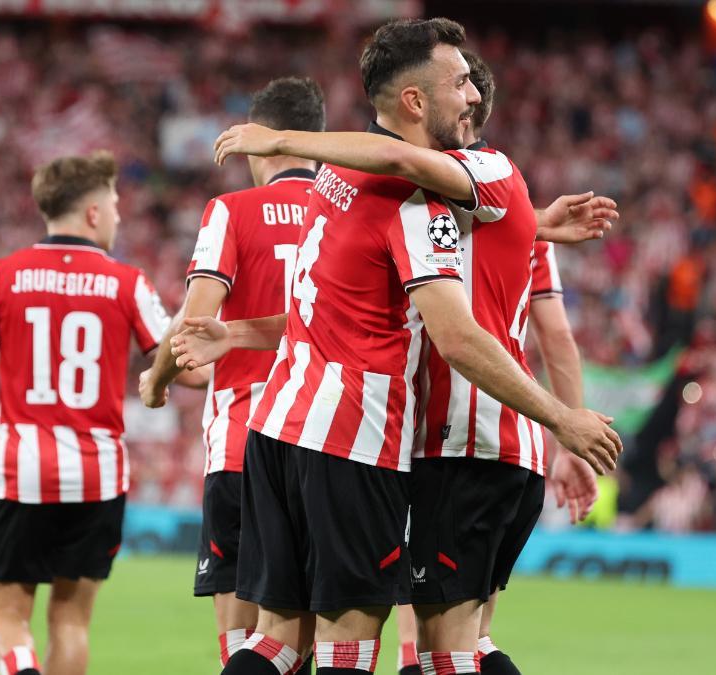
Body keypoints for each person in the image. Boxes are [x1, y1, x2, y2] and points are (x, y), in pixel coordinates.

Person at [174, 18, 621, 675]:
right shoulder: (418, 202)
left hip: (274, 426)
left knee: (273, 642)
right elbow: (458, 334)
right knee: (384, 650)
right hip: (357, 436)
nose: (472, 92)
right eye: (460, 80)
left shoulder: (331, 180)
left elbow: (326, 301)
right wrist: (562, 418)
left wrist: (530, 223)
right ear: (416, 102)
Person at [0, 151, 197, 675]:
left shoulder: (5, 276)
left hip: (21, 470)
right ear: (93, 212)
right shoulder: (127, 283)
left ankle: (20, 666)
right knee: (71, 621)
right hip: (97, 472)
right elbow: (191, 371)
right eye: (115, 204)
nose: (119, 215)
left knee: (5, 612)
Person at [138, 76, 326, 672]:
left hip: (246, 442)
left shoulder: (231, 211)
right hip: (332, 441)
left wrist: (158, 379)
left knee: (244, 642)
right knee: (312, 638)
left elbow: (195, 327)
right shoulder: (347, 210)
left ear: (255, 145)